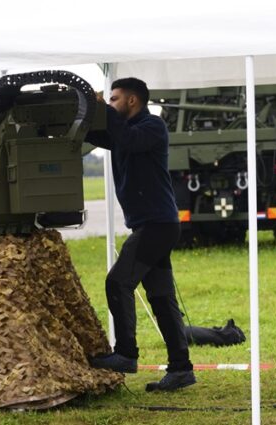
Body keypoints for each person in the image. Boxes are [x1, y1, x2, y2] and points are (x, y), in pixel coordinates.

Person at [86, 77, 195, 392]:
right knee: (161, 299)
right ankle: (181, 369)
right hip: (151, 225)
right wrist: (85, 110)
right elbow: (98, 134)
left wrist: (101, 110)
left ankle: (126, 354)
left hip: (157, 225)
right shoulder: (122, 133)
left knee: (118, 281)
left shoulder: (151, 127)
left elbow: (128, 139)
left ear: (132, 101)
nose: (110, 104)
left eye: (114, 99)